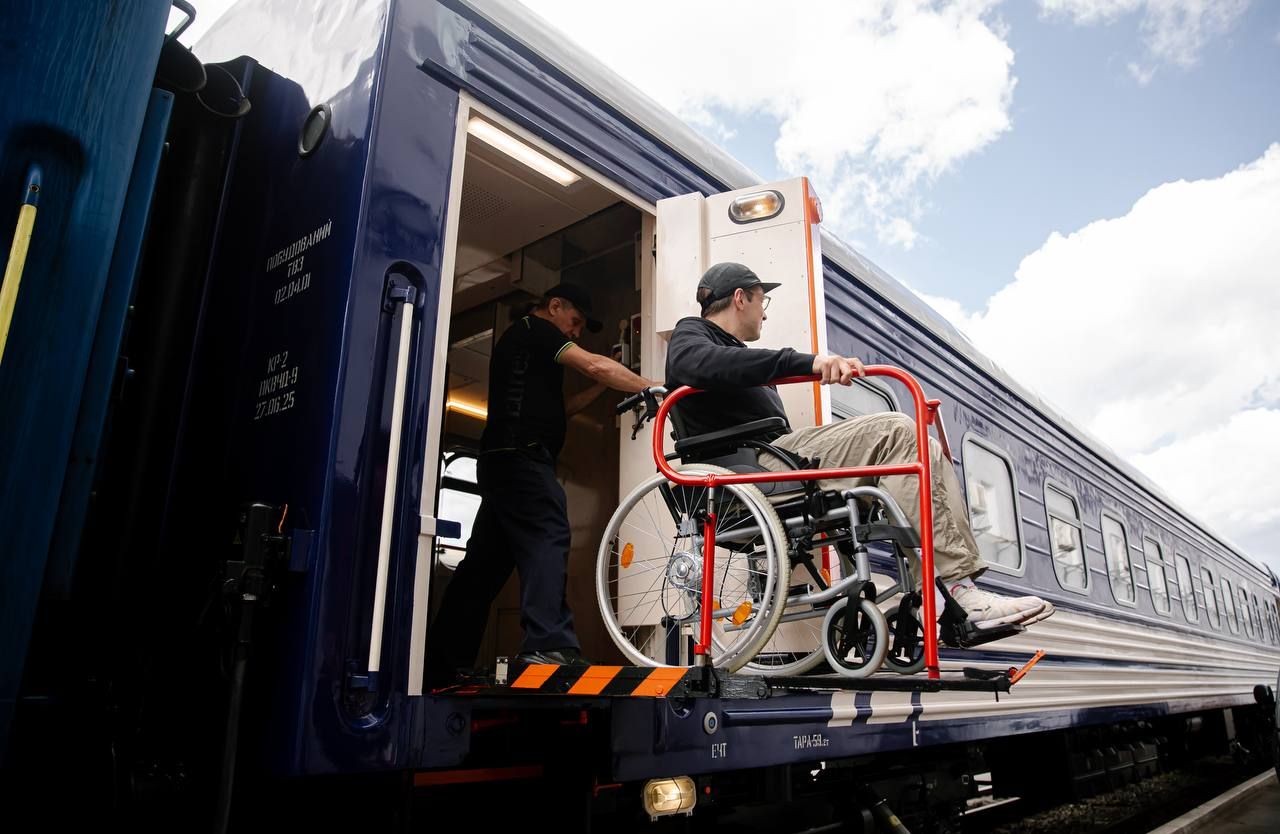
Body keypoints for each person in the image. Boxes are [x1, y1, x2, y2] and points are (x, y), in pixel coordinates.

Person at [664, 262, 1055, 632]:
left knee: (923, 446)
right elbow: (698, 365)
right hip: (748, 467)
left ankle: (951, 591)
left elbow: (732, 369)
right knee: (898, 431)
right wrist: (811, 363)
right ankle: (948, 589)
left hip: (771, 461)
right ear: (740, 298)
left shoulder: (739, 359)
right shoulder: (692, 336)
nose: (764, 313)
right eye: (761, 301)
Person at [426, 283, 659, 686]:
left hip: (501, 461)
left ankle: (443, 662)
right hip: (522, 459)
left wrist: (605, 387)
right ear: (554, 307)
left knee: (481, 570)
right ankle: (547, 643)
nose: (576, 333)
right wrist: (652, 386)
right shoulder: (537, 331)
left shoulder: (522, 348)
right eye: (575, 322)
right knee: (548, 532)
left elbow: (563, 408)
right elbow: (593, 364)